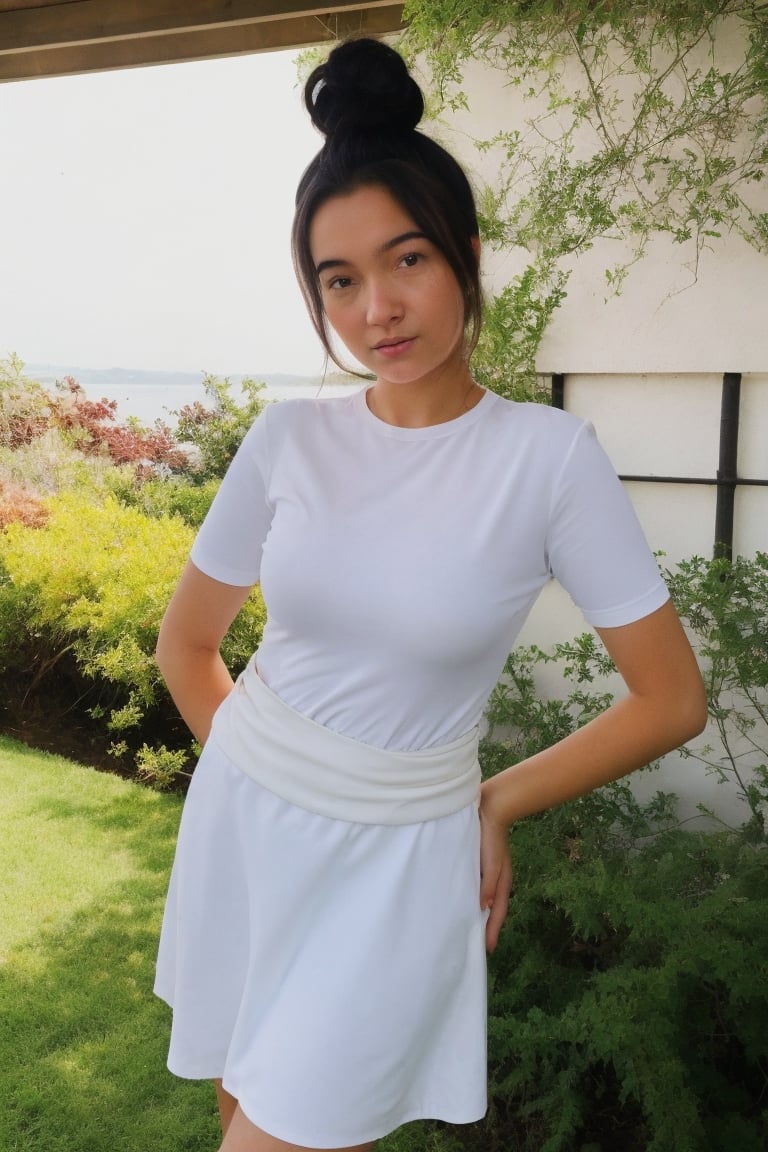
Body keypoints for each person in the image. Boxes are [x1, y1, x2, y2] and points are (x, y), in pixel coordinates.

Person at [153, 37, 707, 1152]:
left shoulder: (549, 460)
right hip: (250, 823)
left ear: (465, 254)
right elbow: (187, 649)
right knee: (238, 1100)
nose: (377, 309)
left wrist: (492, 802)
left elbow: (670, 701)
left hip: (403, 862)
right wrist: (269, 782)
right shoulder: (288, 439)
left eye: (406, 261)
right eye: (339, 280)